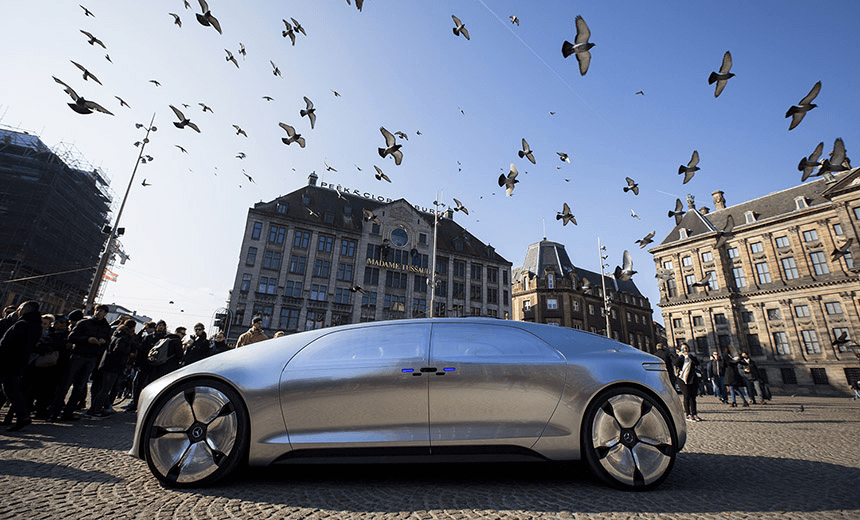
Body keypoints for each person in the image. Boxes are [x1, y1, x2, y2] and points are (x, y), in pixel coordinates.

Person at [50, 304, 112, 421]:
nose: (99, 313)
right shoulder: (84, 323)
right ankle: (55, 412)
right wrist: (87, 339)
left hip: (92, 358)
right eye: (98, 310)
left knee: (80, 386)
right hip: (78, 355)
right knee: (66, 384)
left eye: (102, 311)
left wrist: (103, 341)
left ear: (105, 314)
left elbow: (108, 342)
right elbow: (71, 337)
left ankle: (68, 412)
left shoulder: (105, 326)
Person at [0, 301, 43, 431]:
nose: (18, 310)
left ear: (26, 309)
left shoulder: (22, 324)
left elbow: (7, 343)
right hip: (20, 362)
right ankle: (22, 416)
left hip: (8, 361)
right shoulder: (36, 326)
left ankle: (23, 416)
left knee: (11, 390)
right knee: (10, 390)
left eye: (20, 308)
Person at [86, 320, 136, 418]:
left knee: (102, 389)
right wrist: (129, 351)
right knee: (105, 389)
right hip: (114, 366)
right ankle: (96, 410)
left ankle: (93, 409)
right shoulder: (124, 337)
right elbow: (118, 350)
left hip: (107, 364)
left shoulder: (116, 334)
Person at [673, 343, 701, 422]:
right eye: (683, 348)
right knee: (686, 396)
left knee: (693, 397)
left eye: (686, 348)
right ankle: (688, 414)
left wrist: (690, 356)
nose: (684, 350)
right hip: (682, 379)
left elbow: (697, 363)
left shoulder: (691, 356)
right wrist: (680, 356)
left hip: (692, 378)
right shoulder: (679, 357)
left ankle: (694, 414)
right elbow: (676, 363)